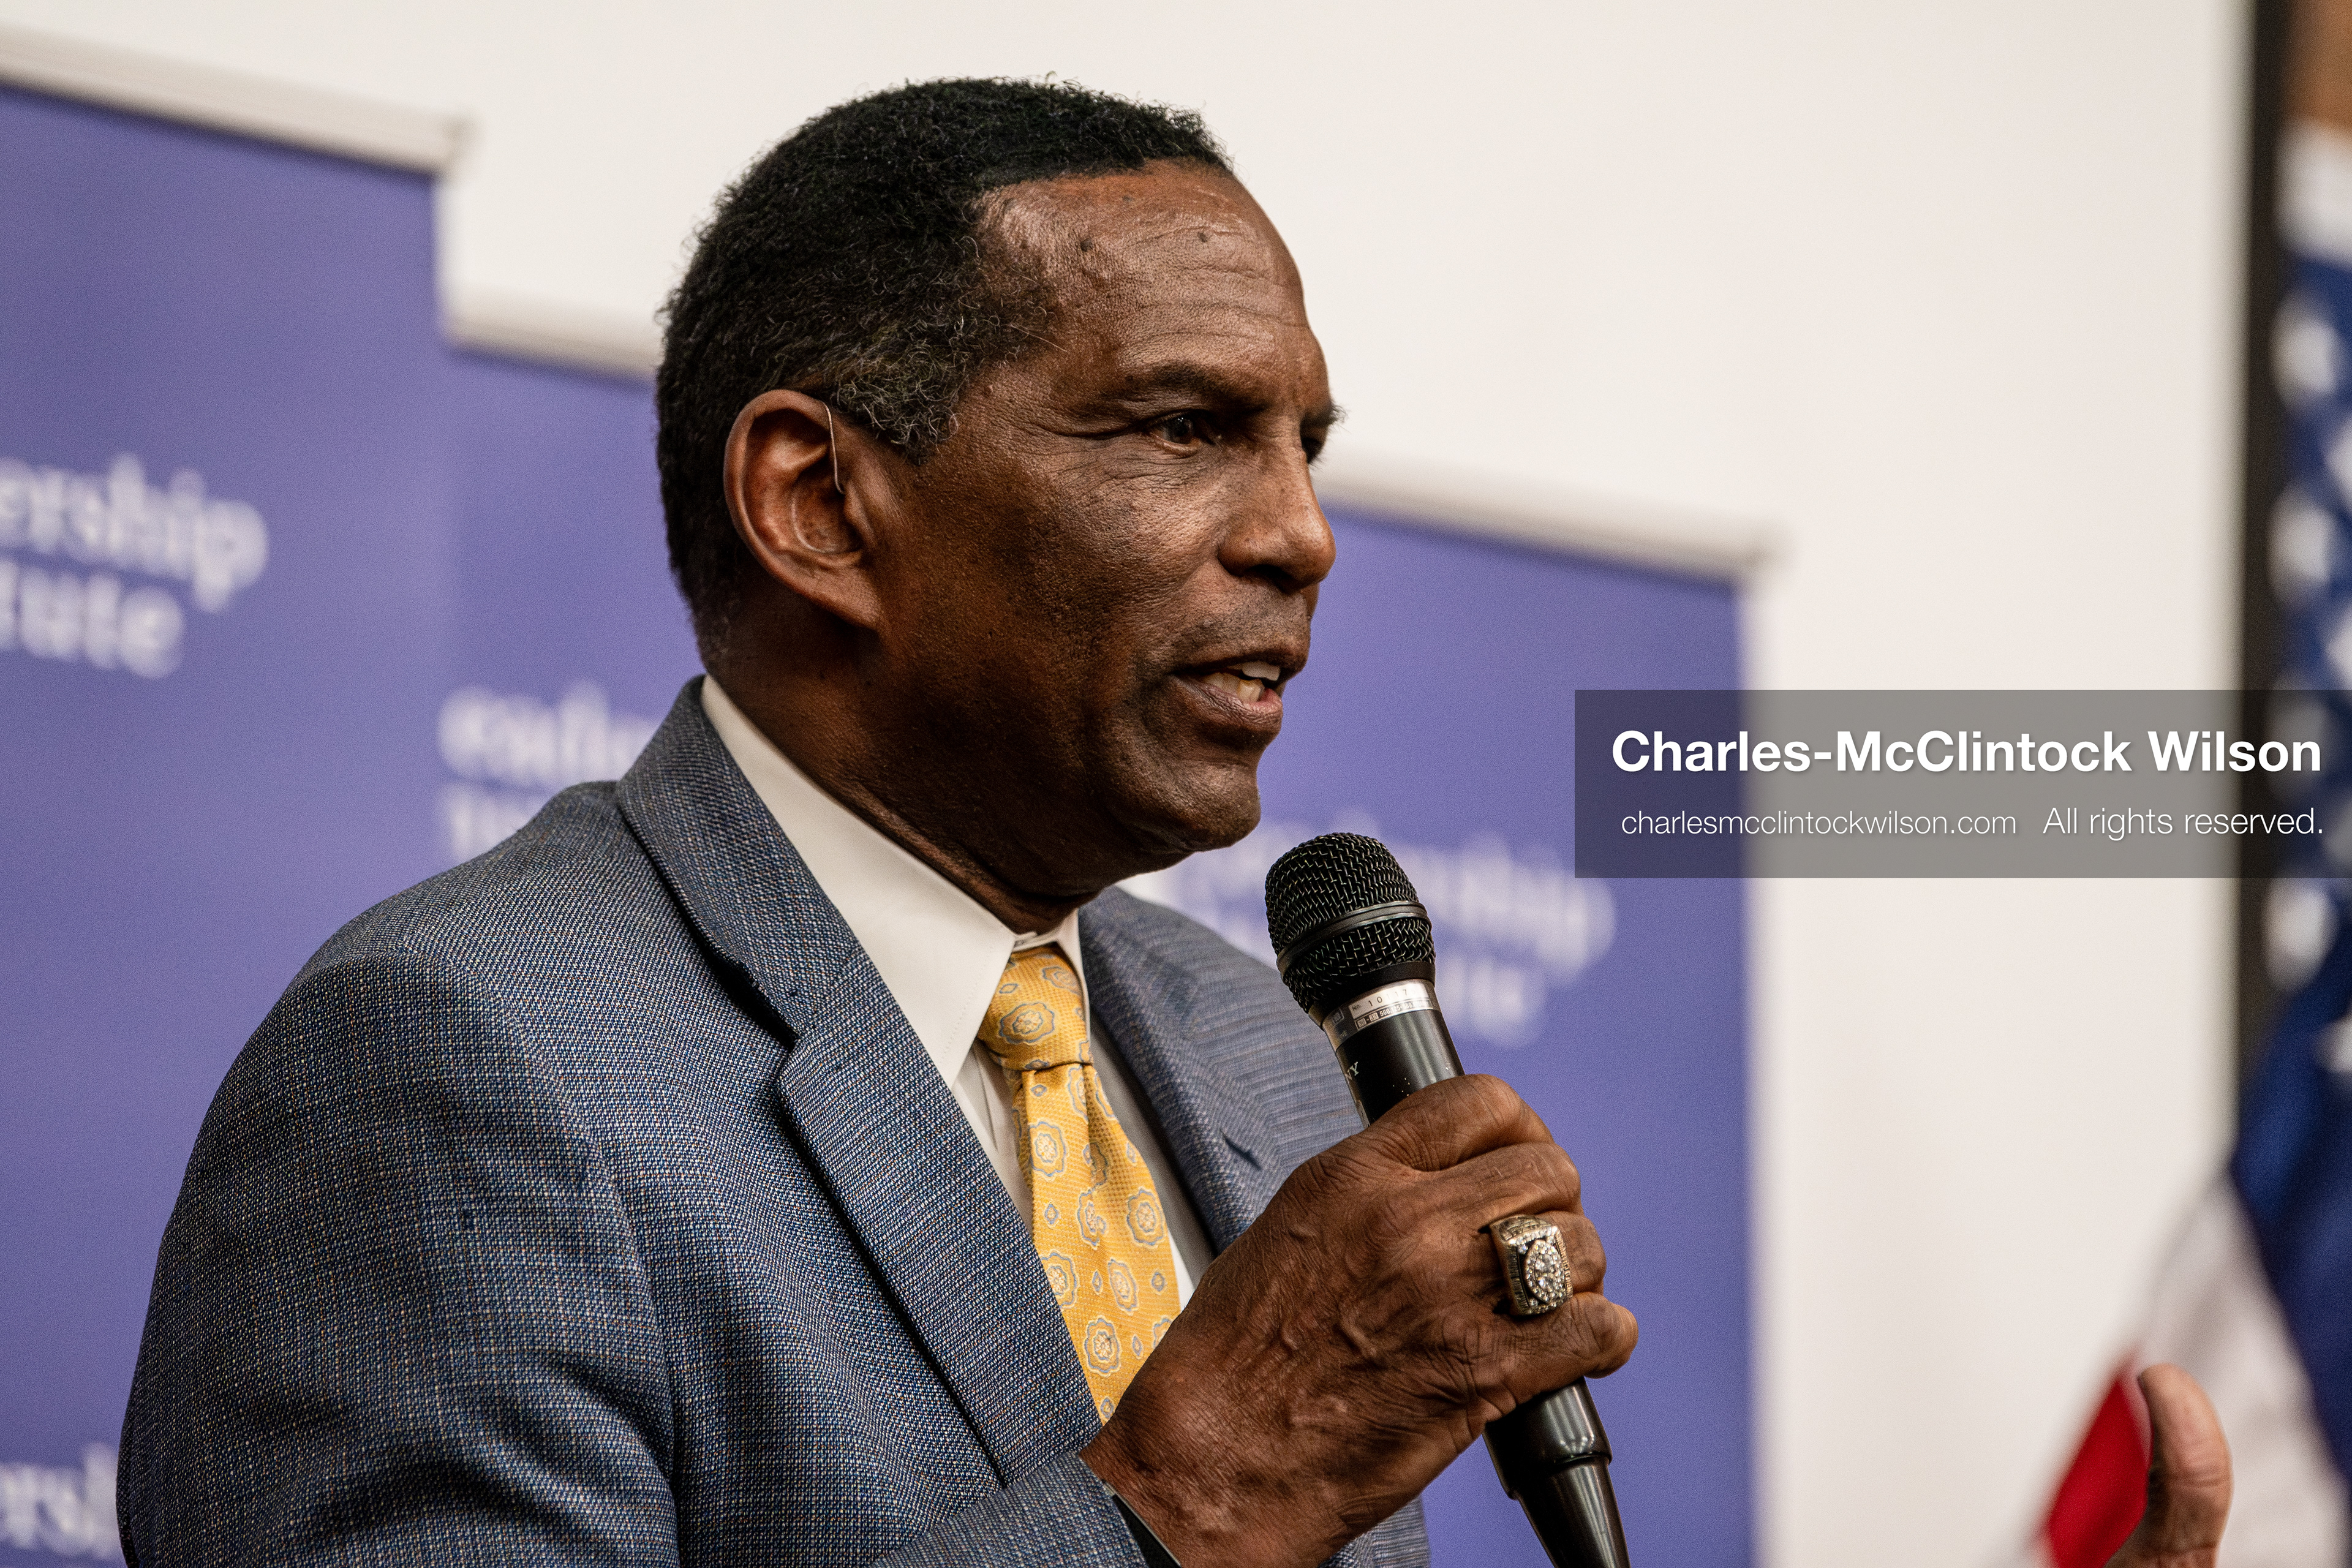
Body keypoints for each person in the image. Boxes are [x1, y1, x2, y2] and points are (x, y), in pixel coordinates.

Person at [117, 79, 2231, 1567]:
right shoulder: (459, 1072)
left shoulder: (1247, 1043)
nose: (1300, 532)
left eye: (1305, 444)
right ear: (819, 502)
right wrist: (1183, 1507)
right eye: (1184, 428)